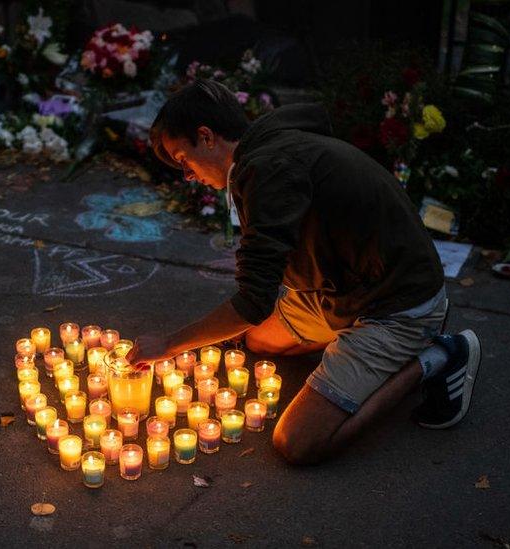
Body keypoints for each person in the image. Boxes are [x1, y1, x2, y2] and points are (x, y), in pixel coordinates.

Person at [130, 79, 480, 464]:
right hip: (344, 292)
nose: (188, 176)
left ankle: (436, 355)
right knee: (259, 342)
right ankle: (379, 350)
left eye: (184, 160)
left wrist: (169, 344)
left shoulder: (271, 169)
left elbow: (253, 302)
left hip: (394, 306)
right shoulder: (266, 154)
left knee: (296, 442)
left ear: (206, 136)